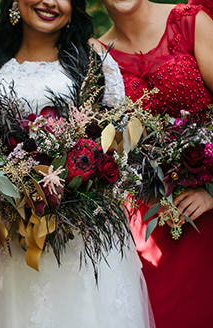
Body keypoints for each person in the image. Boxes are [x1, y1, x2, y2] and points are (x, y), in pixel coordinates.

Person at [0, 1, 155, 327]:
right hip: (16, 236)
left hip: (85, 236)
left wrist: (82, 185)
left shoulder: (94, 60)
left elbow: (120, 143)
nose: (50, 2)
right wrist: (8, 186)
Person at [98, 1, 213, 327]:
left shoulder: (190, 23)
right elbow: (110, 143)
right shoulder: (97, 54)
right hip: (142, 220)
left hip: (203, 217)